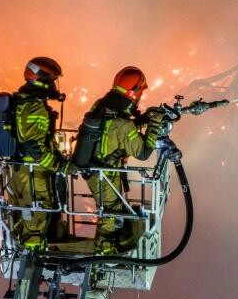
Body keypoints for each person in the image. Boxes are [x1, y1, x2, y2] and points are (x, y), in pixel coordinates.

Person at [74, 66, 168, 255]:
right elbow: (143, 152)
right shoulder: (124, 125)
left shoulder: (101, 105)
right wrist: (154, 125)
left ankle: (108, 246)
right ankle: (105, 250)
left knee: (110, 209)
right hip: (106, 174)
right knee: (111, 211)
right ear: (135, 92)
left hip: (93, 169)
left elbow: (113, 127)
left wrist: (141, 119)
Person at [10, 56, 72, 251]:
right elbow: (34, 149)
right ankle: (35, 253)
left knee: (38, 214)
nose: (55, 86)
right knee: (37, 217)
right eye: (52, 81)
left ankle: (40, 249)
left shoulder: (26, 101)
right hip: (33, 175)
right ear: (42, 80)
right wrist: (60, 165)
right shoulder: (34, 106)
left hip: (28, 172)